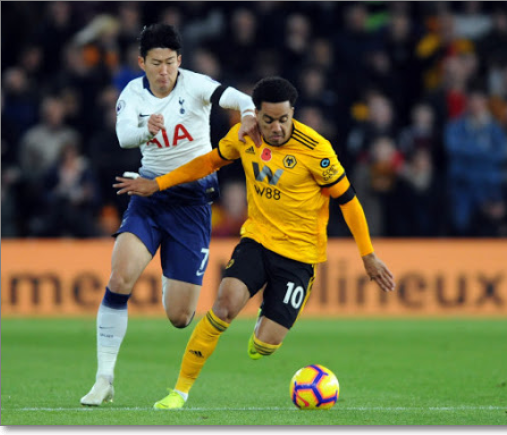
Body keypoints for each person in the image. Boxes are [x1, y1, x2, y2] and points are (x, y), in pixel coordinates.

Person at [113, 76, 396, 409]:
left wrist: (368, 255)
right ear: (255, 114)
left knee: (265, 344)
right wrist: (158, 183)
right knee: (224, 306)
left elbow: (348, 201)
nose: (276, 128)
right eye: (269, 119)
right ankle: (180, 392)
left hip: (300, 255)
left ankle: (264, 330)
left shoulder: (316, 150)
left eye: (283, 119)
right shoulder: (244, 136)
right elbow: (208, 162)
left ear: (292, 114)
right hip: (257, 240)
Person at [80, 23, 261, 406]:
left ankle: (172, 269)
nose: (164, 71)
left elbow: (241, 98)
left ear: (180, 60)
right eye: (156, 63)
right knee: (120, 277)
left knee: (180, 317)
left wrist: (247, 114)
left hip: (191, 203)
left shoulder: (195, 85)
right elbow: (124, 136)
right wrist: (146, 130)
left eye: (170, 63)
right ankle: (103, 379)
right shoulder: (132, 93)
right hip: (148, 195)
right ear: (141, 63)